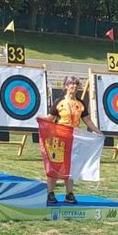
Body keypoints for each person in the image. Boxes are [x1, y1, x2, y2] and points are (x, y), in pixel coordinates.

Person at [45, 76, 102, 204]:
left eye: (76, 84)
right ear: (66, 86)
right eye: (71, 84)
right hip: (59, 139)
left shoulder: (80, 103)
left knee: (70, 167)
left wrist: (98, 132)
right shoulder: (59, 102)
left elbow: (87, 120)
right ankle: (50, 193)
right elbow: (50, 118)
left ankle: (69, 194)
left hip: (74, 139)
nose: (74, 86)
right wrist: (39, 121)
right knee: (55, 165)